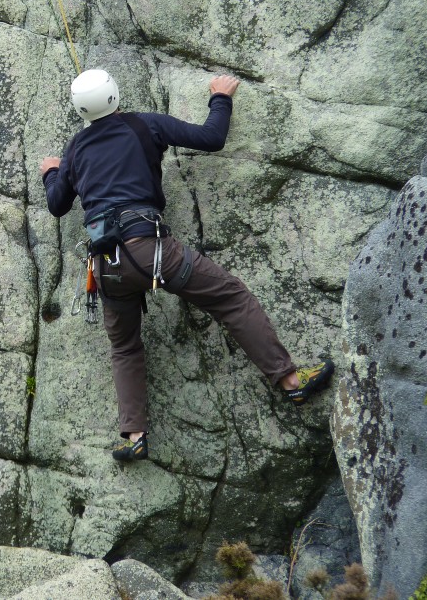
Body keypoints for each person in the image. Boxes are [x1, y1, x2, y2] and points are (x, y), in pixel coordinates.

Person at [40, 69, 333, 461]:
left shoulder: (76, 148)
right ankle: (291, 380)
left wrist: (52, 172)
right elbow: (211, 138)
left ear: (80, 108)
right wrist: (220, 97)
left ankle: (134, 436)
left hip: (106, 266)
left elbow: (57, 204)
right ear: (115, 92)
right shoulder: (146, 125)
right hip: (152, 251)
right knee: (230, 297)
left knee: (125, 346)